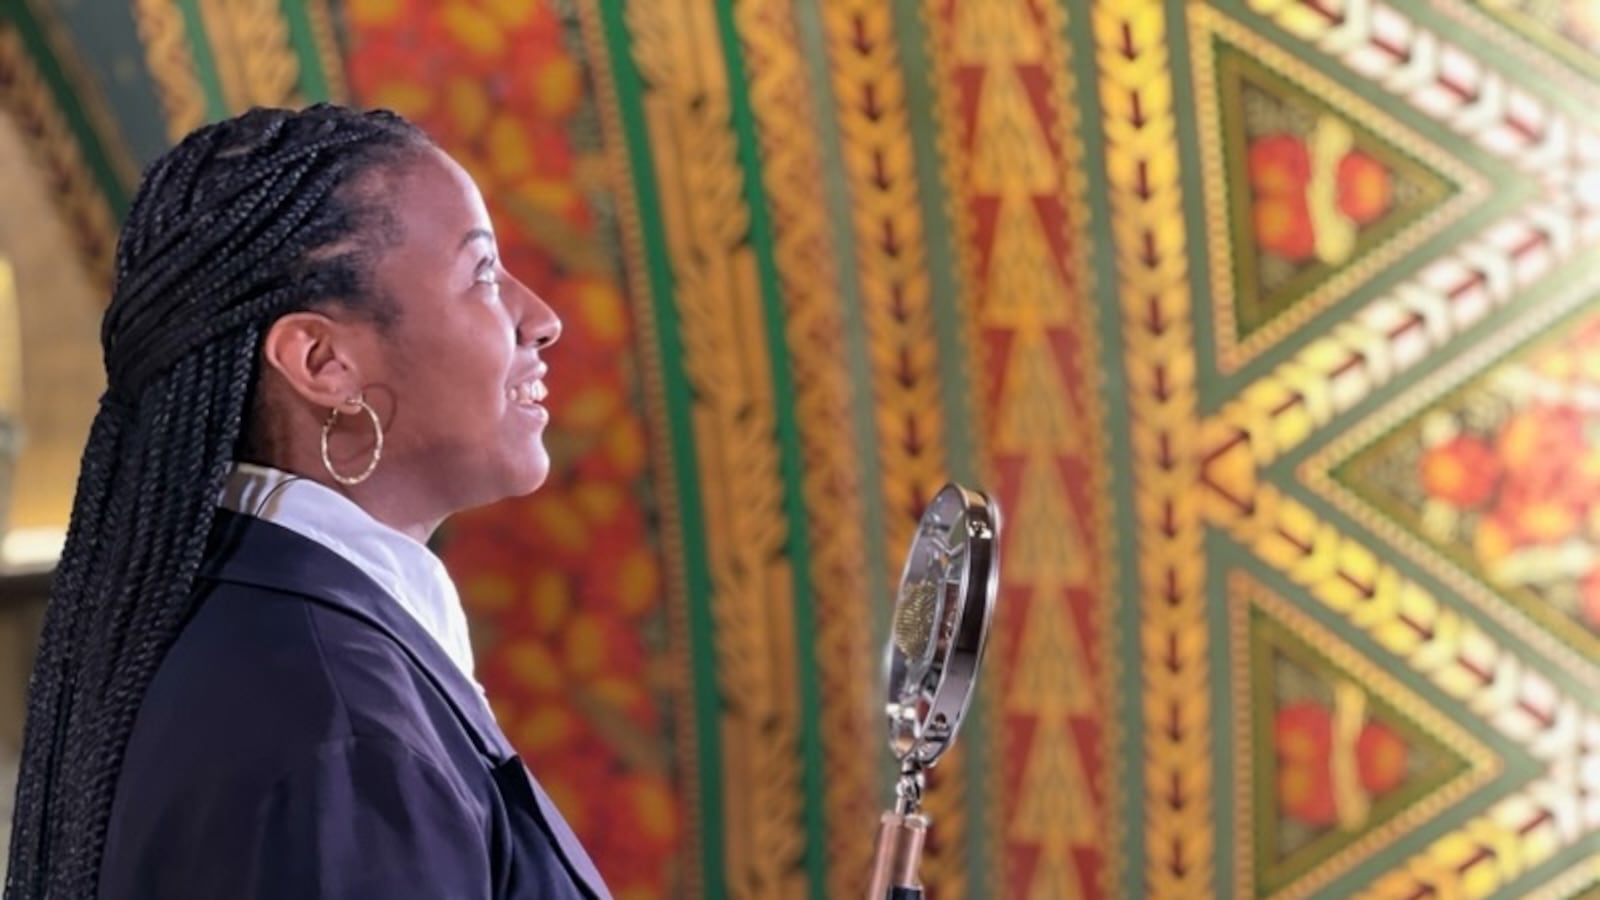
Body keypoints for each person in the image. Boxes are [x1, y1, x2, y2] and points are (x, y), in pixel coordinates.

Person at [3, 104, 611, 899]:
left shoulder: (251, 641)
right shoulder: (346, 733)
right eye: (483, 275)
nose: (544, 319)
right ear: (322, 361)